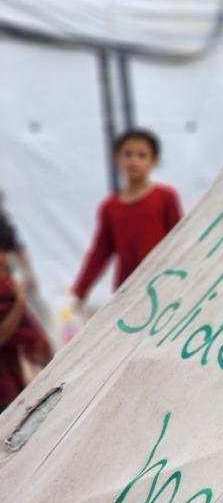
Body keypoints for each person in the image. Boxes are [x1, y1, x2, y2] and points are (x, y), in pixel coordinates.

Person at [71, 129, 182, 308]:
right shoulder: (109, 207)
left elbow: (180, 238)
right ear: (117, 159)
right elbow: (99, 253)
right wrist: (79, 292)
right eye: (128, 154)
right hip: (127, 290)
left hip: (164, 282)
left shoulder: (165, 197)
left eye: (141, 155)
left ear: (153, 161)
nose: (134, 161)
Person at [1, 213, 52, 412]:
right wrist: (20, 303)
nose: (3, 258)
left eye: (4, 251)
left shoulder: (8, 287)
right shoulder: (9, 292)